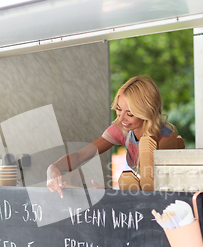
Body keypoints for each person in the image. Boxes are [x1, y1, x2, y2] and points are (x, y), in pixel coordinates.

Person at [47, 76, 176, 197]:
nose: (121, 118)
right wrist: (53, 168)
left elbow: (159, 192)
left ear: (148, 112)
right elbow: (81, 156)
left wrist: (111, 195)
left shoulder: (164, 142)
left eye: (130, 114)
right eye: (119, 109)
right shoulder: (122, 128)